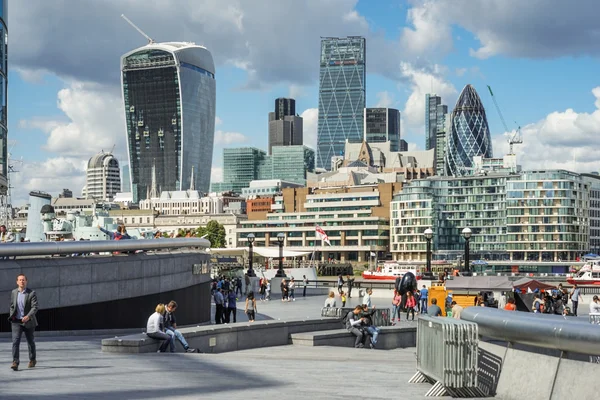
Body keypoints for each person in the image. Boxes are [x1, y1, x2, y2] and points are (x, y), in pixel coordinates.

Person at [9, 274, 38, 371]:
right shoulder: (14, 292)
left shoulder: (31, 293)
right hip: (17, 321)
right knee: (15, 342)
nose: (22, 282)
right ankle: (15, 362)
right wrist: (12, 314)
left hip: (28, 321)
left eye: (23, 280)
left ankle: (32, 359)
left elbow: (35, 307)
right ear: (17, 282)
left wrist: (28, 316)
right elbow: (12, 305)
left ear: (26, 282)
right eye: (20, 280)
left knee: (30, 342)